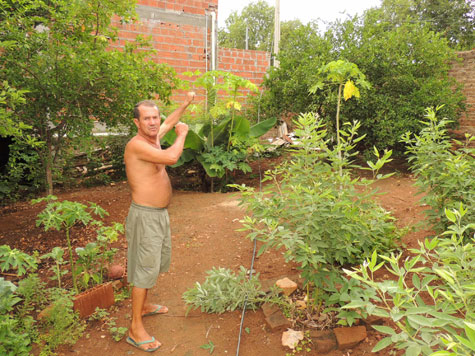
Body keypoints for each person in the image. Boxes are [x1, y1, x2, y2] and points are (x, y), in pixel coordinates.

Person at [123, 92, 195, 352]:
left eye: (156, 117)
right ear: (137, 123)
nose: (154, 122)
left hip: (158, 215)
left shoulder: (152, 139)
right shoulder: (137, 145)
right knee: (144, 269)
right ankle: (135, 328)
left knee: (152, 264)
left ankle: (142, 306)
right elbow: (172, 158)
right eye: (147, 118)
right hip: (145, 216)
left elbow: (168, 122)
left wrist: (185, 104)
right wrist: (183, 134)